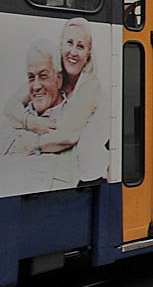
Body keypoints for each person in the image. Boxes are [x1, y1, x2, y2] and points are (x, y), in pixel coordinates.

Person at [3, 19, 106, 185]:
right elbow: (10, 107)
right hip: (66, 176)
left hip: (89, 180)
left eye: (80, 46)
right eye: (69, 43)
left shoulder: (89, 85)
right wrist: (32, 122)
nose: (73, 51)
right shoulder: (54, 76)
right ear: (61, 46)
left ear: (88, 54)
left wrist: (32, 145)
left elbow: (67, 136)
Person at [1, 39, 76, 189]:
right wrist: (31, 122)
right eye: (31, 77)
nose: (36, 86)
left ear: (59, 79)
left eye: (43, 76)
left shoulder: (70, 121)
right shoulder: (11, 122)